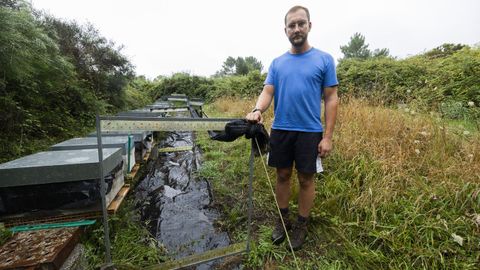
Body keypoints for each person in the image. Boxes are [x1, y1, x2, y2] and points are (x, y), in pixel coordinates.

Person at [246, 5, 339, 250]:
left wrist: (327, 137)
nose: (296, 29)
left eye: (301, 23)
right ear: (285, 30)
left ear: (309, 25)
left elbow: (331, 98)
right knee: (283, 175)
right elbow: (268, 91)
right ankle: (283, 220)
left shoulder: (324, 60)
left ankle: (301, 225)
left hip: (310, 131)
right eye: (291, 25)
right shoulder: (278, 63)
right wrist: (257, 110)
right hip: (281, 129)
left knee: (306, 179)